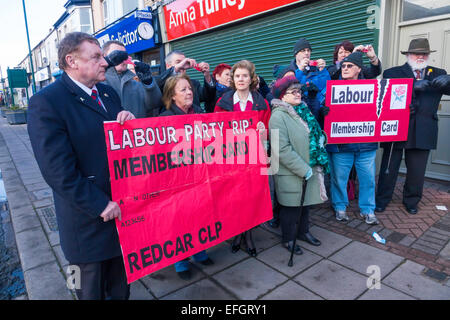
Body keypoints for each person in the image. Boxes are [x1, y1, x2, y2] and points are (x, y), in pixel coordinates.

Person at [27, 32, 135, 300]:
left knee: (121, 289)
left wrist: (130, 123)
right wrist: (99, 204)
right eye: (96, 57)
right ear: (71, 61)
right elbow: (57, 172)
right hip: (85, 226)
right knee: (89, 293)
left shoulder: (109, 93)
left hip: (121, 216)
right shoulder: (46, 102)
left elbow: (121, 147)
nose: (105, 63)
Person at [376, 38, 450, 215]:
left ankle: (411, 200)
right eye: (417, 53)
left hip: (424, 129)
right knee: (389, 167)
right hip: (397, 126)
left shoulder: (438, 73)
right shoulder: (393, 72)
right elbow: (386, 96)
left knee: (417, 170)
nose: (420, 56)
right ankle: (382, 199)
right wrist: (411, 86)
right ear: (408, 55)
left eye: (424, 53)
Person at [159, 74, 214, 280]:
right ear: (172, 96)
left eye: (189, 88)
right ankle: (180, 261)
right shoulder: (164, 118)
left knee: (199, 215)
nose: (189, 92)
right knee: (180, 219)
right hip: (177, 179)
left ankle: (199, 252)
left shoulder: (199, 113)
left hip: (199, 175)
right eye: (183, 90)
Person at [215, 60, 271, 257]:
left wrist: (264, 132)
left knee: (251, 198)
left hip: (254, 159)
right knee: (235, 200)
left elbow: (268, 133)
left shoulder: (261, 103)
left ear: (251, 78)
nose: (241, 79)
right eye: (237, 76)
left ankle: (248, 235)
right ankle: (238, 233)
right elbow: (217, 133)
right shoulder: (223, 103)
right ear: (233, 79)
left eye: (244, 76)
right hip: (232, 159)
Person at [269, 76, 328, 254]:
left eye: (299, 90)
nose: (298, 94)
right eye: (293, 91)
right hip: (292, 172)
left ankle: (303, 232)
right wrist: (303, 169)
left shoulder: (303, 110)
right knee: (290, 209)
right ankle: (288, 239)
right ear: (282, 96)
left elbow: (313, 132)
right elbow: (282, 149)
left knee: (305, 205)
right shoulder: (278, 116)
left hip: (308, 167)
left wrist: (321, 139)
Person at [326, 52, 379, 225]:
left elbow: (382, 108)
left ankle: (368, 210)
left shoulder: (373, 89)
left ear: (358, 69)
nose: (345, 68)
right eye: (343, 66)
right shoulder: (332, 88)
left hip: (366, 145)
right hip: (342, 146)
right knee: (339, 179)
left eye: (349, 66)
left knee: (368, 179)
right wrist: (322, 109)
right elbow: (320, 105)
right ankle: (340, 207)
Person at [102, 40, 163, 118]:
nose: (121, 58)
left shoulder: (136, 85)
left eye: (124, 54)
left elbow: (155, 104)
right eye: (116, 54)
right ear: (105, 56)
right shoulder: (97, 83)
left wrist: (149, 83)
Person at [289, 38, 330, 125]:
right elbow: (291, 87)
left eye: (308, 50)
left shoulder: (314, 68)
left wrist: (322, 71)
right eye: (303, 51)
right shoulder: (289, 70)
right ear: (296, 54)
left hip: (315, 114)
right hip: (298, 116)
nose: (307, 53)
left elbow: (325, 88)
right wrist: (300, 70)